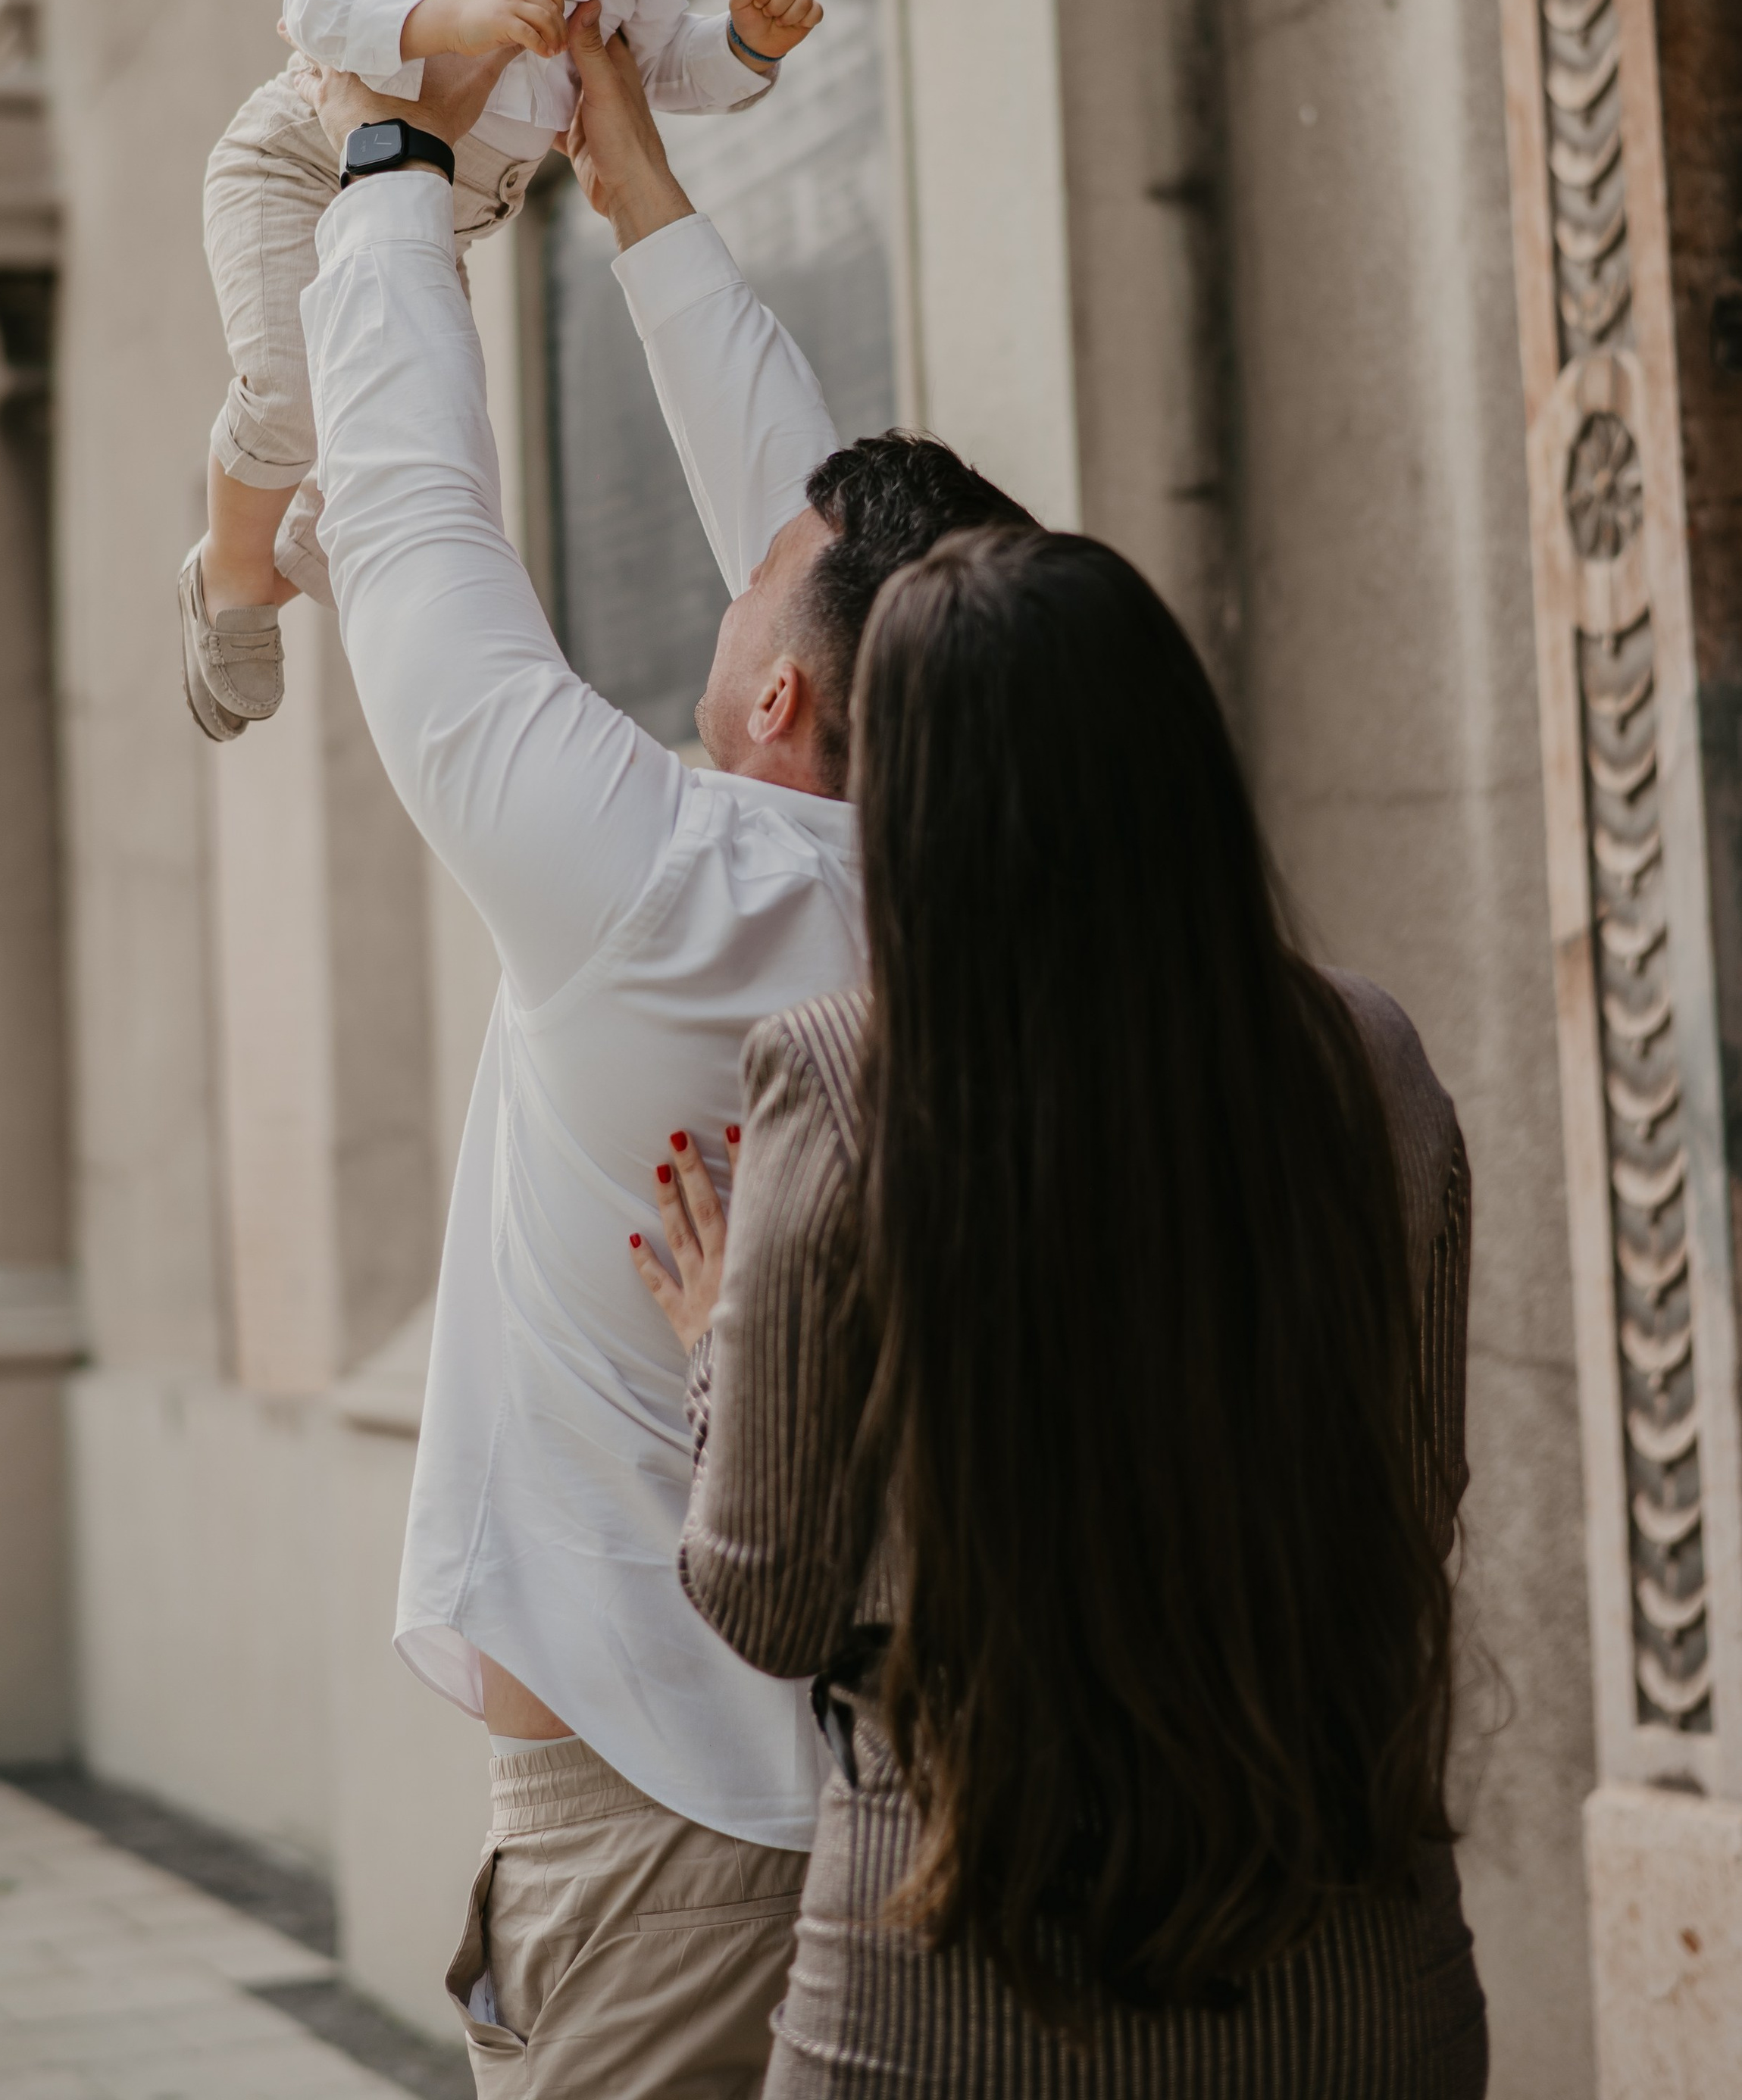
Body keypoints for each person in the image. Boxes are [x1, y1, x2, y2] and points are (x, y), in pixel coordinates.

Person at [296, 9, 1034, 2095]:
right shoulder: (990, 895)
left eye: (768, 593)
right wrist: (636, 189)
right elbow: (830, 545)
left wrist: (384, 175)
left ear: (788, 705)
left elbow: (419, 548)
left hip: (665, 1844)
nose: (742, 575)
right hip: (893, 1786)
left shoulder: (662, 891)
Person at [637, 527, 1488, 2096]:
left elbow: (762, 1596)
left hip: (947, 1978)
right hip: (1353, 1968)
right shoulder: (1369, 1062)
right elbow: (1414, 1497)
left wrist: (714, 1359)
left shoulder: (836, 1081)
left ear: (916, 816)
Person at [180, 0, 822, 736]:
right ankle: (231, 577)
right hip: (302, 162)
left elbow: (656, 69)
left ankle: (301, 539)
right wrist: (457, 17)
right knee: (292, 394)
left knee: (414, 414)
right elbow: (316, 1)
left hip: (436, 211)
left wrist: (744, 49)